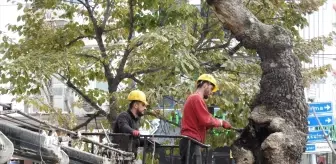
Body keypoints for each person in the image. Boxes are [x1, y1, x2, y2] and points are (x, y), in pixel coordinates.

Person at [179, 74, 232, 164]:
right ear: (205, 84)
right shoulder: (196, 98)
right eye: (211, 89)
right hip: (191, 142)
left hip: (190, 142)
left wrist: (217, 123)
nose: (211, 92)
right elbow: (206, 120)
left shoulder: (194, 98)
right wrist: (221, 122)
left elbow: (203, 122)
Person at [112, 90, 148, 160]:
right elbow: (124, 127)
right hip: (119, 157)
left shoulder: (136, 120)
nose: (145, 108)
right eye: (143, 105)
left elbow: (135, 140)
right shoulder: (124, 116)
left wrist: (148, 142)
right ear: (135, 105)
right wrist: (132, 131)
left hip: (129, 156)